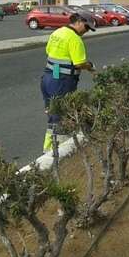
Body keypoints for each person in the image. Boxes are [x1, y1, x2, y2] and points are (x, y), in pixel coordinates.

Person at [40, 12, 96, 152]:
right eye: (86, 27)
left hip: (49, 77)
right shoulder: (75, 39)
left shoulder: (57, 32)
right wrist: (91, 66)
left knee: (53, 113)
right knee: (59, 115)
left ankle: (49, 148)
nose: (86, 31)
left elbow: (50, 53)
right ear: (78, 22)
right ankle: (55, 151)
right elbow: (79, 63)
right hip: (62, 82)